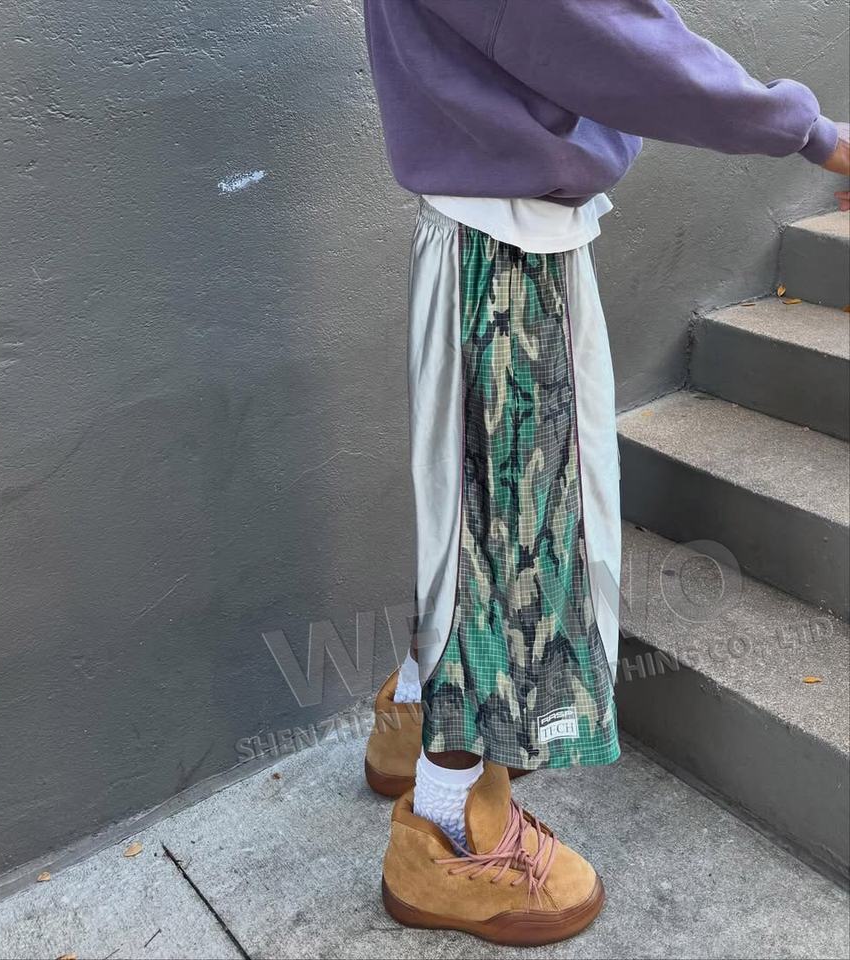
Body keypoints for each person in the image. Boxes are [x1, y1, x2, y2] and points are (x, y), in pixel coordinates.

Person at [360, 0, 849, 947]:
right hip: (501, 254)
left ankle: (416, 710)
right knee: (506, 545)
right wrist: (812, 132)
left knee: (475, 522)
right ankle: (449, 832)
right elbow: (602, 33)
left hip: (494, 237)